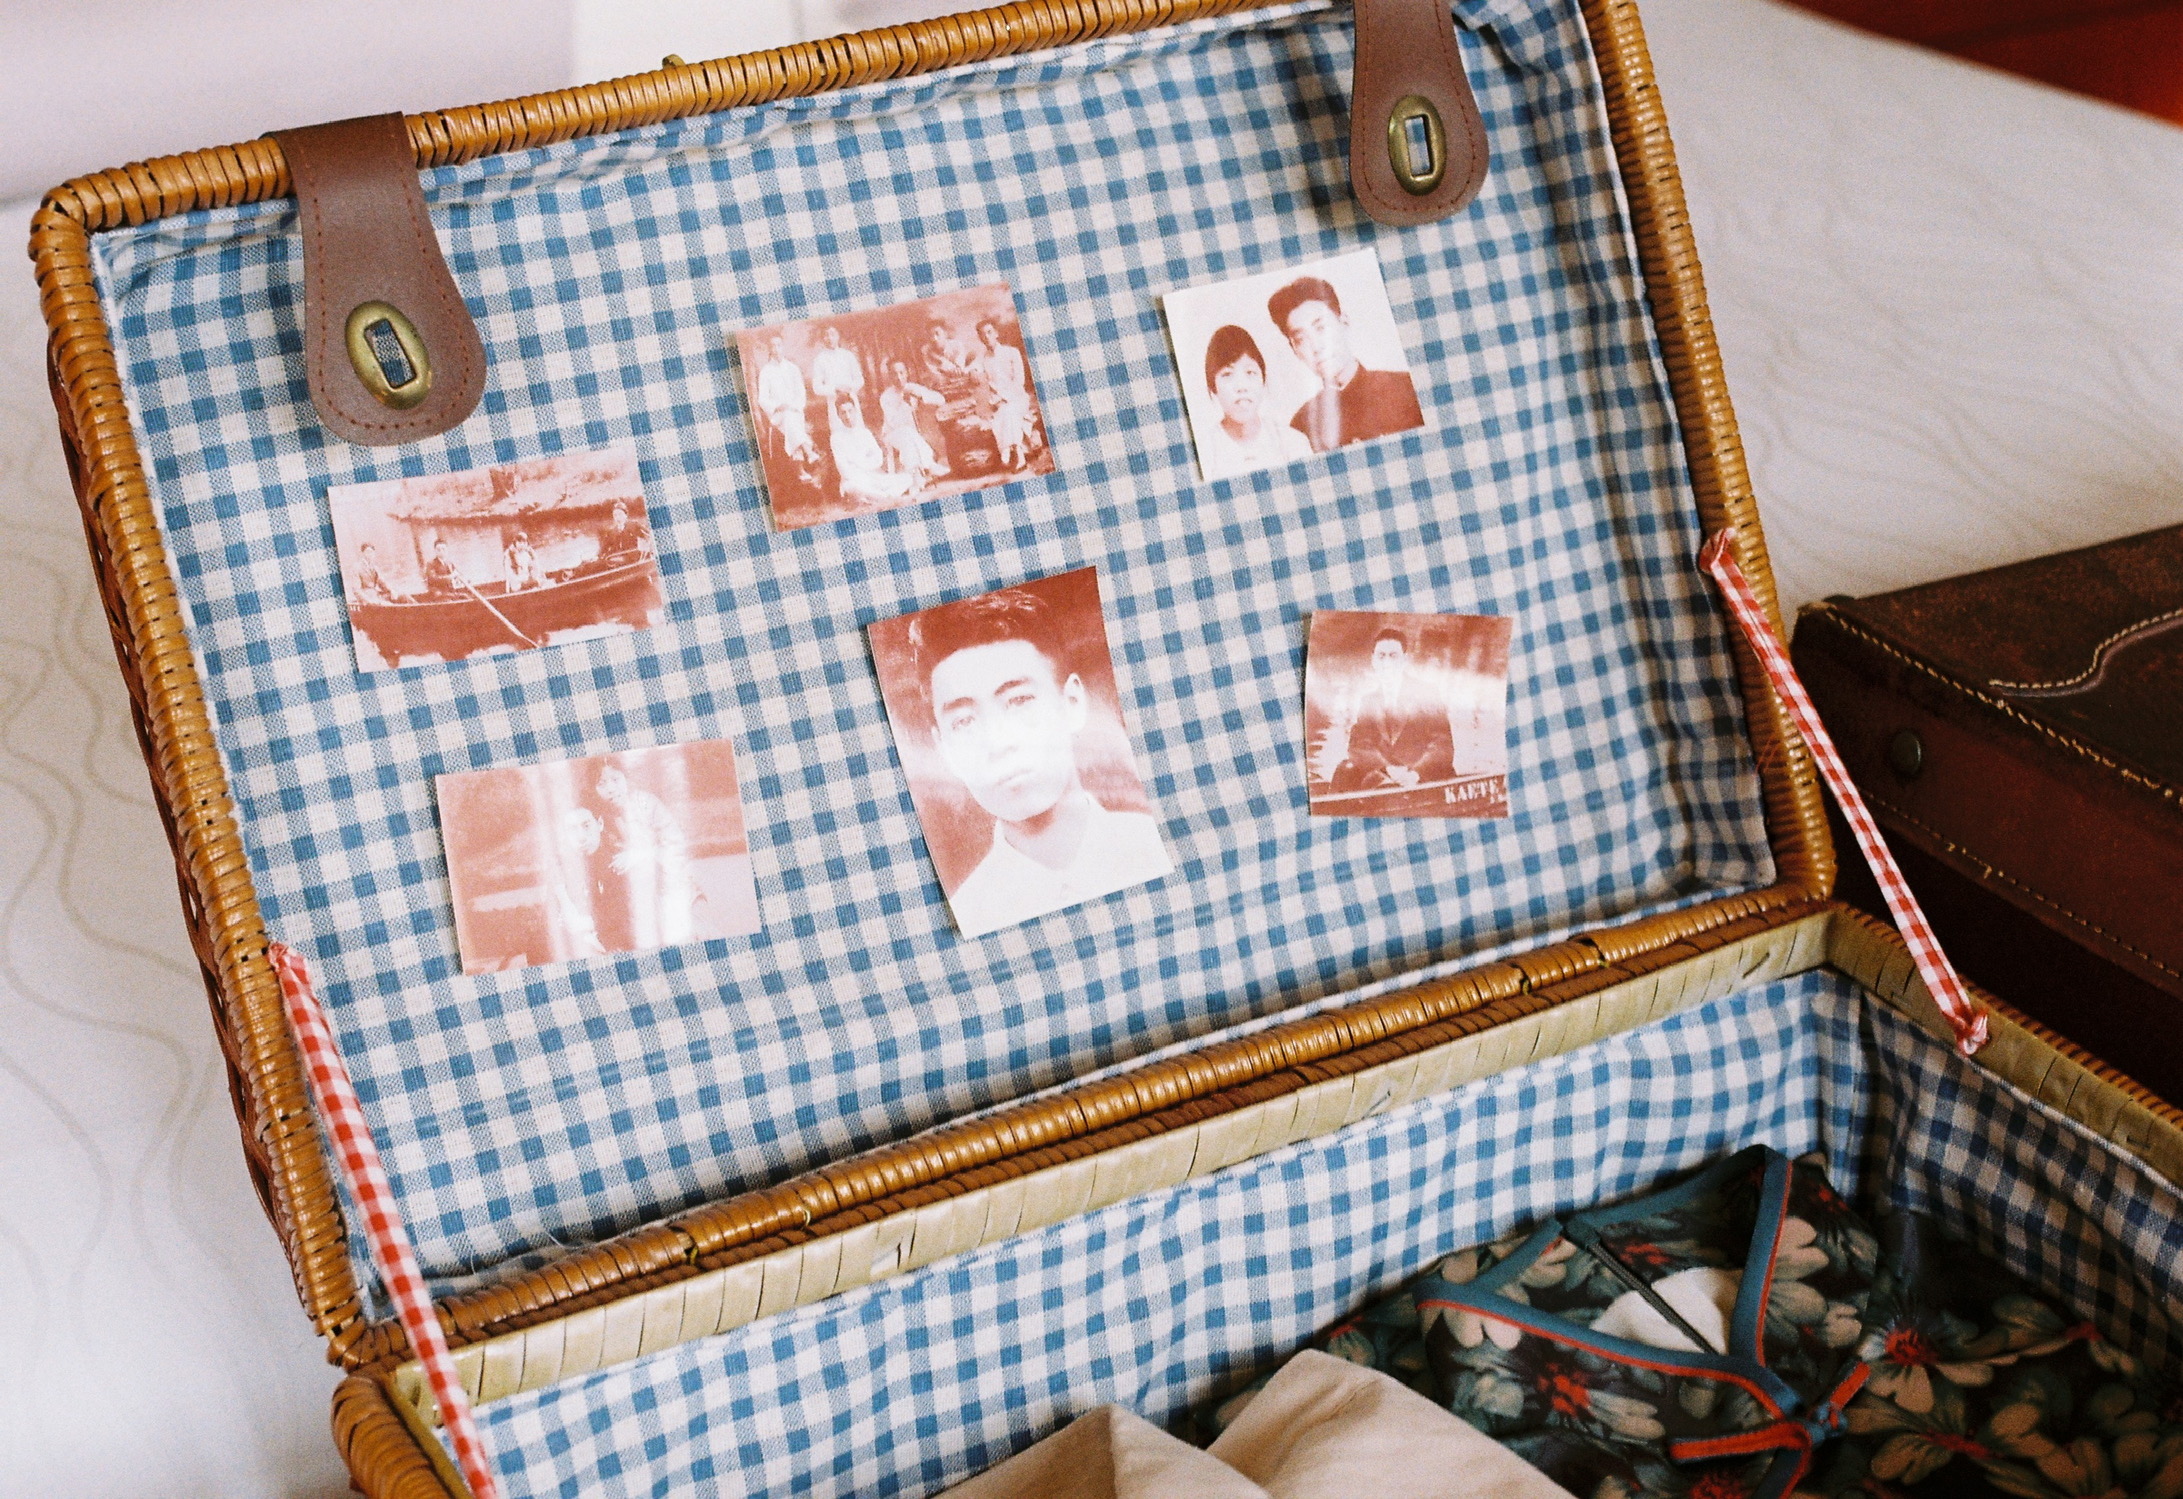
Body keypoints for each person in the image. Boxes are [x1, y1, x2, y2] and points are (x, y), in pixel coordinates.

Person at [907, 586, 1171, 936]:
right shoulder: (971, 912)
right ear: (944, 749)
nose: (999, 741)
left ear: (1072, 703)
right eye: (965, 721)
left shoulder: (1153, 846)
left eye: (1019, 701)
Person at [1266, 275, 1424, 454]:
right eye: (1301, 339)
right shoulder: (1301, 426)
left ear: (1344, 323)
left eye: (1321, 328)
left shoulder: (1407, 387)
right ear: (1294, 350)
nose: (1316, 346)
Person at [1324, 629, 1455, 793]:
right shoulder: (1369, 701)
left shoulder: (1427, 693)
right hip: (1386, 777)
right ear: (1373, 661)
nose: (1387, 663)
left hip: (1421, 778)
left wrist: (1415, 774)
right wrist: (1387, 770)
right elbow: (1359, 746)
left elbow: (1442, 746)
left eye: (1393, 656)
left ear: (1405, 660)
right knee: (1345, 768)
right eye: (1381, 656)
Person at [595, 762, 697, 949]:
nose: (611, 789)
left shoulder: (646, 804)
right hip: (631, 904)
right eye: (601, 784)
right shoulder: (596, 817)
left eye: (615, 780)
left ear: (626, 778)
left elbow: (676, 844)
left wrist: (639, 855)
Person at [1196, 325, 1313, 479]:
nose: (1241, 387)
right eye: (1227, 374)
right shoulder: (1204, 453)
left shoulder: (1293, 443)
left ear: (1263, 381)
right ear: (1213, 387)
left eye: (1250, 372)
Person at [549, 802, 630, 959]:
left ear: (600, 824)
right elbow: (556, 918)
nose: (581, 837)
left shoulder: (620, 860)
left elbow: (624, 917)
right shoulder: (563, 866)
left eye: (586, 826)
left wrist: (585, 925)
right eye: (572, 829)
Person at [829, 397, 920, 507]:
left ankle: (879, 498)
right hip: (856, 480)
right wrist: (866, 459)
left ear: (855, 411)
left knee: (907, 478)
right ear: (838, 415)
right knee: (852, 487)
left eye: (850, 411)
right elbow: (844, 470)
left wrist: (857, 462)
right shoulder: (836, 438)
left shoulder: (865, 433)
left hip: (873, 476)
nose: (848, 416)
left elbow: (878, 459)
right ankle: (891, 498)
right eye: (843, 413)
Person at [971, 318, 1036, 471]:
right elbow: (972, 369)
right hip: (997, 403)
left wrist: (1004, 397)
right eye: (982, 334)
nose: (987, 337)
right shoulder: (982, 358)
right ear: (980, 339)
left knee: (1008, 410)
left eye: (989, 332)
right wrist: (973, 372)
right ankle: (1020, 458)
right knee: (1005, 411)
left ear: (996, 333)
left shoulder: (1012, 352)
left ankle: (1005, 450)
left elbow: (1019, 381)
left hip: (1017, 397)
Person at [878, 360, 948, 485]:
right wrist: (902, 403)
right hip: (892, 435)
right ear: (890, 376)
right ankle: (929, 465)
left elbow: (941, 399)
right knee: (906, 433)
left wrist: (921, 396)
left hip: (912, 436)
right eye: (894, 374)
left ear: (907, 373)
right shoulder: (886, 397)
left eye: (901, 372)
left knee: (909, 439)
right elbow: (894, 423)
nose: (899, 377)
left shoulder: (912, 388)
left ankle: (916, 478)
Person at [754, 335, 819, 464]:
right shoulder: (765, 372)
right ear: (769, 349)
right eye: (773, 346)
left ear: (783, 347)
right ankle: (809, 451)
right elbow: (762, 399)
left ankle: (800, 465)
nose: (776, 349)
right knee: (788, 418)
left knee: (790, 418)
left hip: (794, 411)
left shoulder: (793, 368)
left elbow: (801, 393)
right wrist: (777, 406)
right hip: (777, 415)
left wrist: (793, 407)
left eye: (779, 345)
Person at [809, 324, 865, 432]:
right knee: (839, 432)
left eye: (832, 334)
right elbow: (817, 387)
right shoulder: (820, 359)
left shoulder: (848, 356)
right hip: (834, 401)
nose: (830, 338)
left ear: (838, 336)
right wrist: (835, 389)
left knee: (857, 430)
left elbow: (859, 380)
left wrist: (848, 388)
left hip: (851, 398)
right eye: (826, 335)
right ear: (822, 338)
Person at [597, 500, 652, 564]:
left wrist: (648, 550)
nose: (618, 517)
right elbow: (604, 547)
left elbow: (649, 535)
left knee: (613, 560)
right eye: (615, 515)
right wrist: (598, 556)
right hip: (616, 557)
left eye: (620, 514)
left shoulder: (634, 525)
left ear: (626, 515)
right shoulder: (611, 532)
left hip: (633, 558)